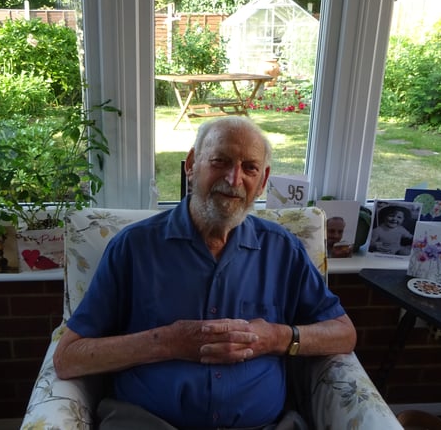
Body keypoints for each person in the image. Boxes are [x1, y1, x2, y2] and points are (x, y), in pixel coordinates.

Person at [53, 116, 357, 429]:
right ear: (191, 164)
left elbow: (344, 333)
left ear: (263, 179)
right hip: (146, 421)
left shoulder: (282, 250)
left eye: (249, 167)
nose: (234, 178)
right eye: (220, 161)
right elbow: (69, 357)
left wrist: (277, 338)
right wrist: (167, 342)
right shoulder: (132, 248)